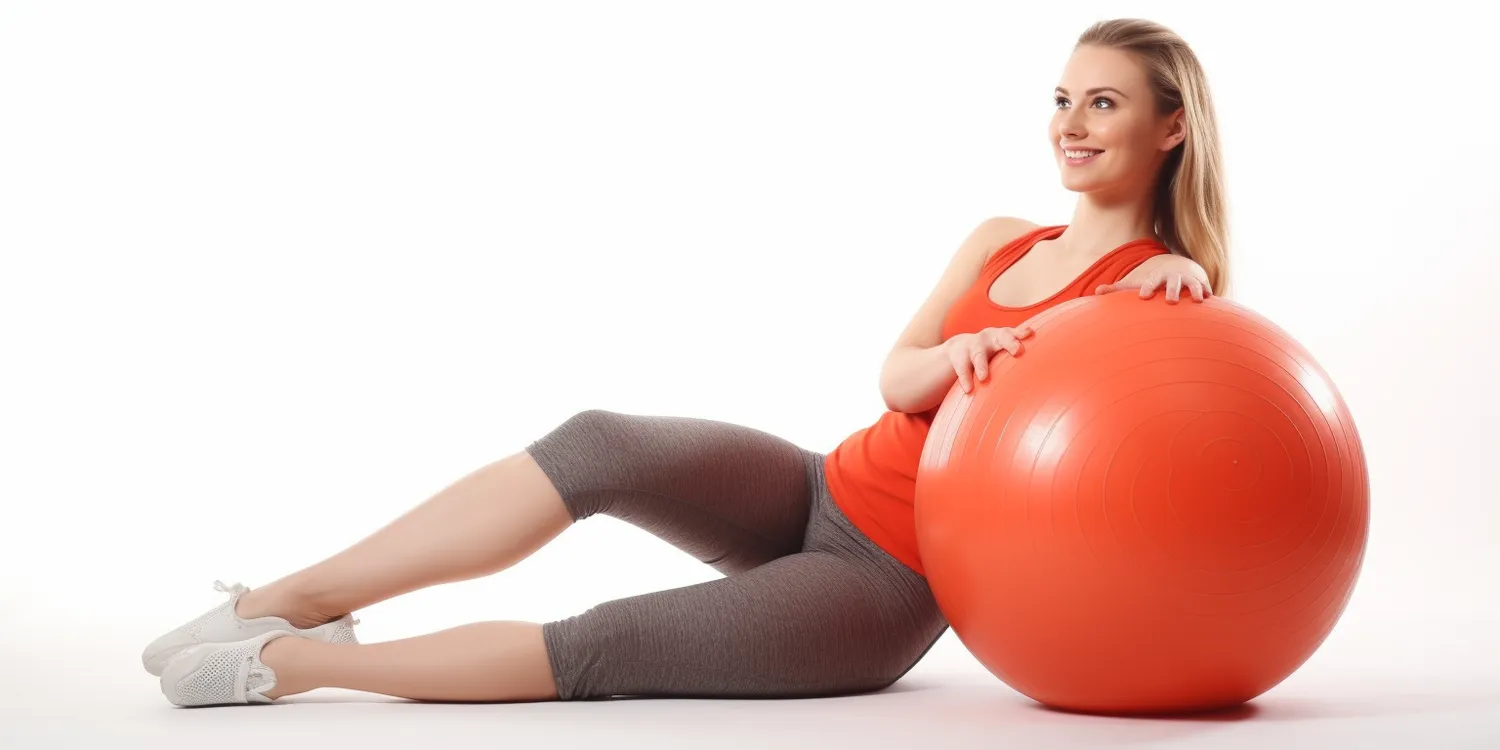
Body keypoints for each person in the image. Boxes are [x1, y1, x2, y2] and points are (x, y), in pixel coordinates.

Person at [144, 17, 1228, 707]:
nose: (1070, 124)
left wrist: (1179, 279)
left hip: (884, 585)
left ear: (1171, 128)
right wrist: (959, 354)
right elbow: (896, 378)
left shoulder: (1147, 294)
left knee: (606, 645)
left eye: (1104, 102)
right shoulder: (1002, 239)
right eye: (1061, 99)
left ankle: (291, 668)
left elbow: (1164, 436)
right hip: (823, 487)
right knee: (598, 442)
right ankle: (292, 599)